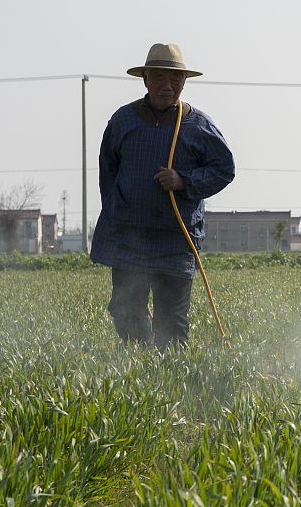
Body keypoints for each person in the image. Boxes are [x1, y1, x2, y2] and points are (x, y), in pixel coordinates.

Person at [90, 43, 235, 348]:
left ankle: (168, 377)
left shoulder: (198, 125)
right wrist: (118, 215)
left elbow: (224, 169)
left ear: (184, 82)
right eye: (159, 78)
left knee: (172, 323)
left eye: (175, 80)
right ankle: (142, 364)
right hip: (130, 240)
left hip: (176, 241)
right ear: (145, 80)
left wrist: (185, 180)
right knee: (125, 310)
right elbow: (108, 174)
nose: (167, 87)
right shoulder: (122, 122)